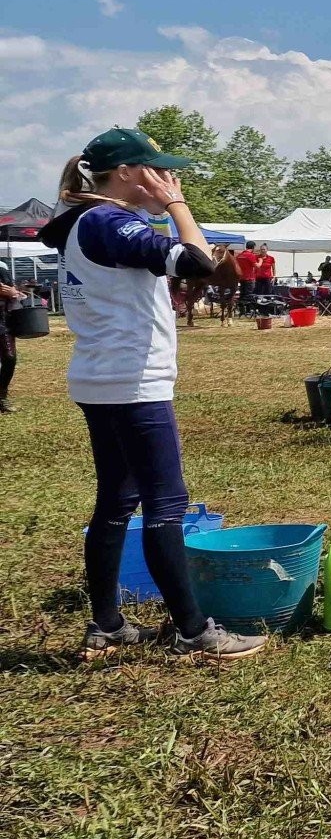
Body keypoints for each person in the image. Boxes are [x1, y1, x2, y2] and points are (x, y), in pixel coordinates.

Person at [41, 128, 266, 660]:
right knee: (165, 504)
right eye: (157, 170)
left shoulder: (80, 221)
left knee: (117, 503)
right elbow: (198, 261)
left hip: (101, 377)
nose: (168, 178)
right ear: (125, 174)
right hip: (132, 381)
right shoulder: (109, 220)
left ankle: (106, 624)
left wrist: (162, 206)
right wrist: (177, 205)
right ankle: (193, 632)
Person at [0, 273, 22, 412]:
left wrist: (14, 293)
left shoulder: (2, 272)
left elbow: (20, 299)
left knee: (10, 359)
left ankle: (1, 398)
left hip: (3, 324)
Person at [234, 241, 259, 316]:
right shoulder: (250, 255)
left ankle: (242, 311)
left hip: (241, 278)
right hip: (249, 278)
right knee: (249, 295)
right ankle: (249, 310)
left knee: (242, 295)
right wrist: (260, 261)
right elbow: (257, 266)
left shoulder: (240, 255)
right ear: (253, 247)